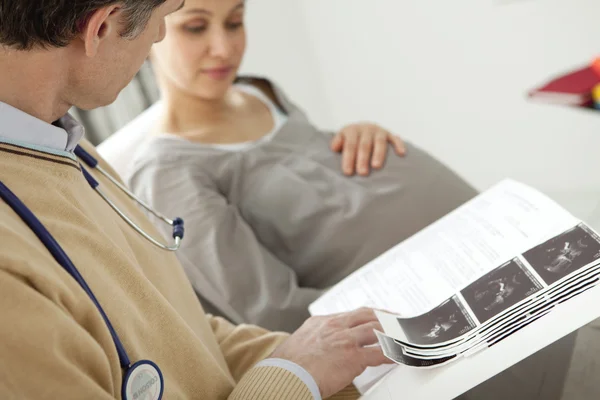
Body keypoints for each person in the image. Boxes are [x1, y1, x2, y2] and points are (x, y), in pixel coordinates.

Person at [0, 1, 392, 399]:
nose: (159, 36)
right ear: (100, 27)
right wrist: (295, 374)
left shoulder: (60, 142)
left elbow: (183, 334)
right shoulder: (9, 284)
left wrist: (344, 365)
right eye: (164, 19)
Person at [99, 0, 478, 332]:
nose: (224, 47)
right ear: (151, 32)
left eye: (235, 21)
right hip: (427, 303)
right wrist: (416, 303)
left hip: (470, 240)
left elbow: (322, 177)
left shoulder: (259, 91)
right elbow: (271, 312)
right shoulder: (166, 174)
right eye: (196, 28)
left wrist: (354, 135)